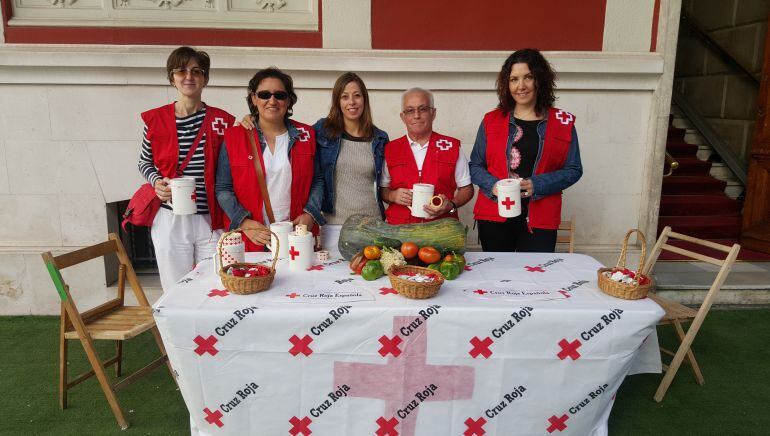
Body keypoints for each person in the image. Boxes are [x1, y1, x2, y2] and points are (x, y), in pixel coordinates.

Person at [137, 46, 235, 292]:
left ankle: (211, 331)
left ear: (205, 79)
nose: (188, 76)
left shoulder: (222, 120)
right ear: (172, 78)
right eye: (181, 71)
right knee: (175, 287)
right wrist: (156, 181)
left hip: (211, 218)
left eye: (196, 71)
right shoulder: (156, 120)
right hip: (171, 216)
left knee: (216, 284)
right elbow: (144, 161)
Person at [469, 48, 582, 252]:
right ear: (507, 84)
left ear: (540, 80)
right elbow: (475, 165)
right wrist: (493, 185)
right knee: (496, 278)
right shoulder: (491, 120)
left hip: (540, 219)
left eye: (528, 77)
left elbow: (574, 169)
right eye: (514, 79)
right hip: (494, 216)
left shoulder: (563, 122)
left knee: (534, 279)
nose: (521, 86)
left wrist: (537, 184)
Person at [215, 67, 316, 251]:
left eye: (280, 95)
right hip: (252, 238)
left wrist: (310, 215)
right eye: (264, 95)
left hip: (295, 236)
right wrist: (245, 223)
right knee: (254, 280)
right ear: (254, 99)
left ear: (289, 100)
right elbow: (223, 189)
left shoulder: (307, 135)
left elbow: (319, 180)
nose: (272, 100)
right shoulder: (234, 137)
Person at [304, 72, 390, 229]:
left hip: (373, 223)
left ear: (364, 99)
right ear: (337, 101)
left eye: (357, 95)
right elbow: (292, 135)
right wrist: (256, 120)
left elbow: (386, 184)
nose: (352, 102)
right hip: (334, 224)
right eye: (345, 97)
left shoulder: (379, 138)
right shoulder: (323, 131)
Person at [380, 88, 474, 224]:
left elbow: (467, 189)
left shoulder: (451, 147)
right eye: (410, 110)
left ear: (433, 113)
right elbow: (383, 188)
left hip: (441, 229)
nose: (416, 115)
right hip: (399, 232)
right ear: (403, 117)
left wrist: (451, 205)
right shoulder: (391, 149)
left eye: (423, 109)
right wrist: (391, 195)